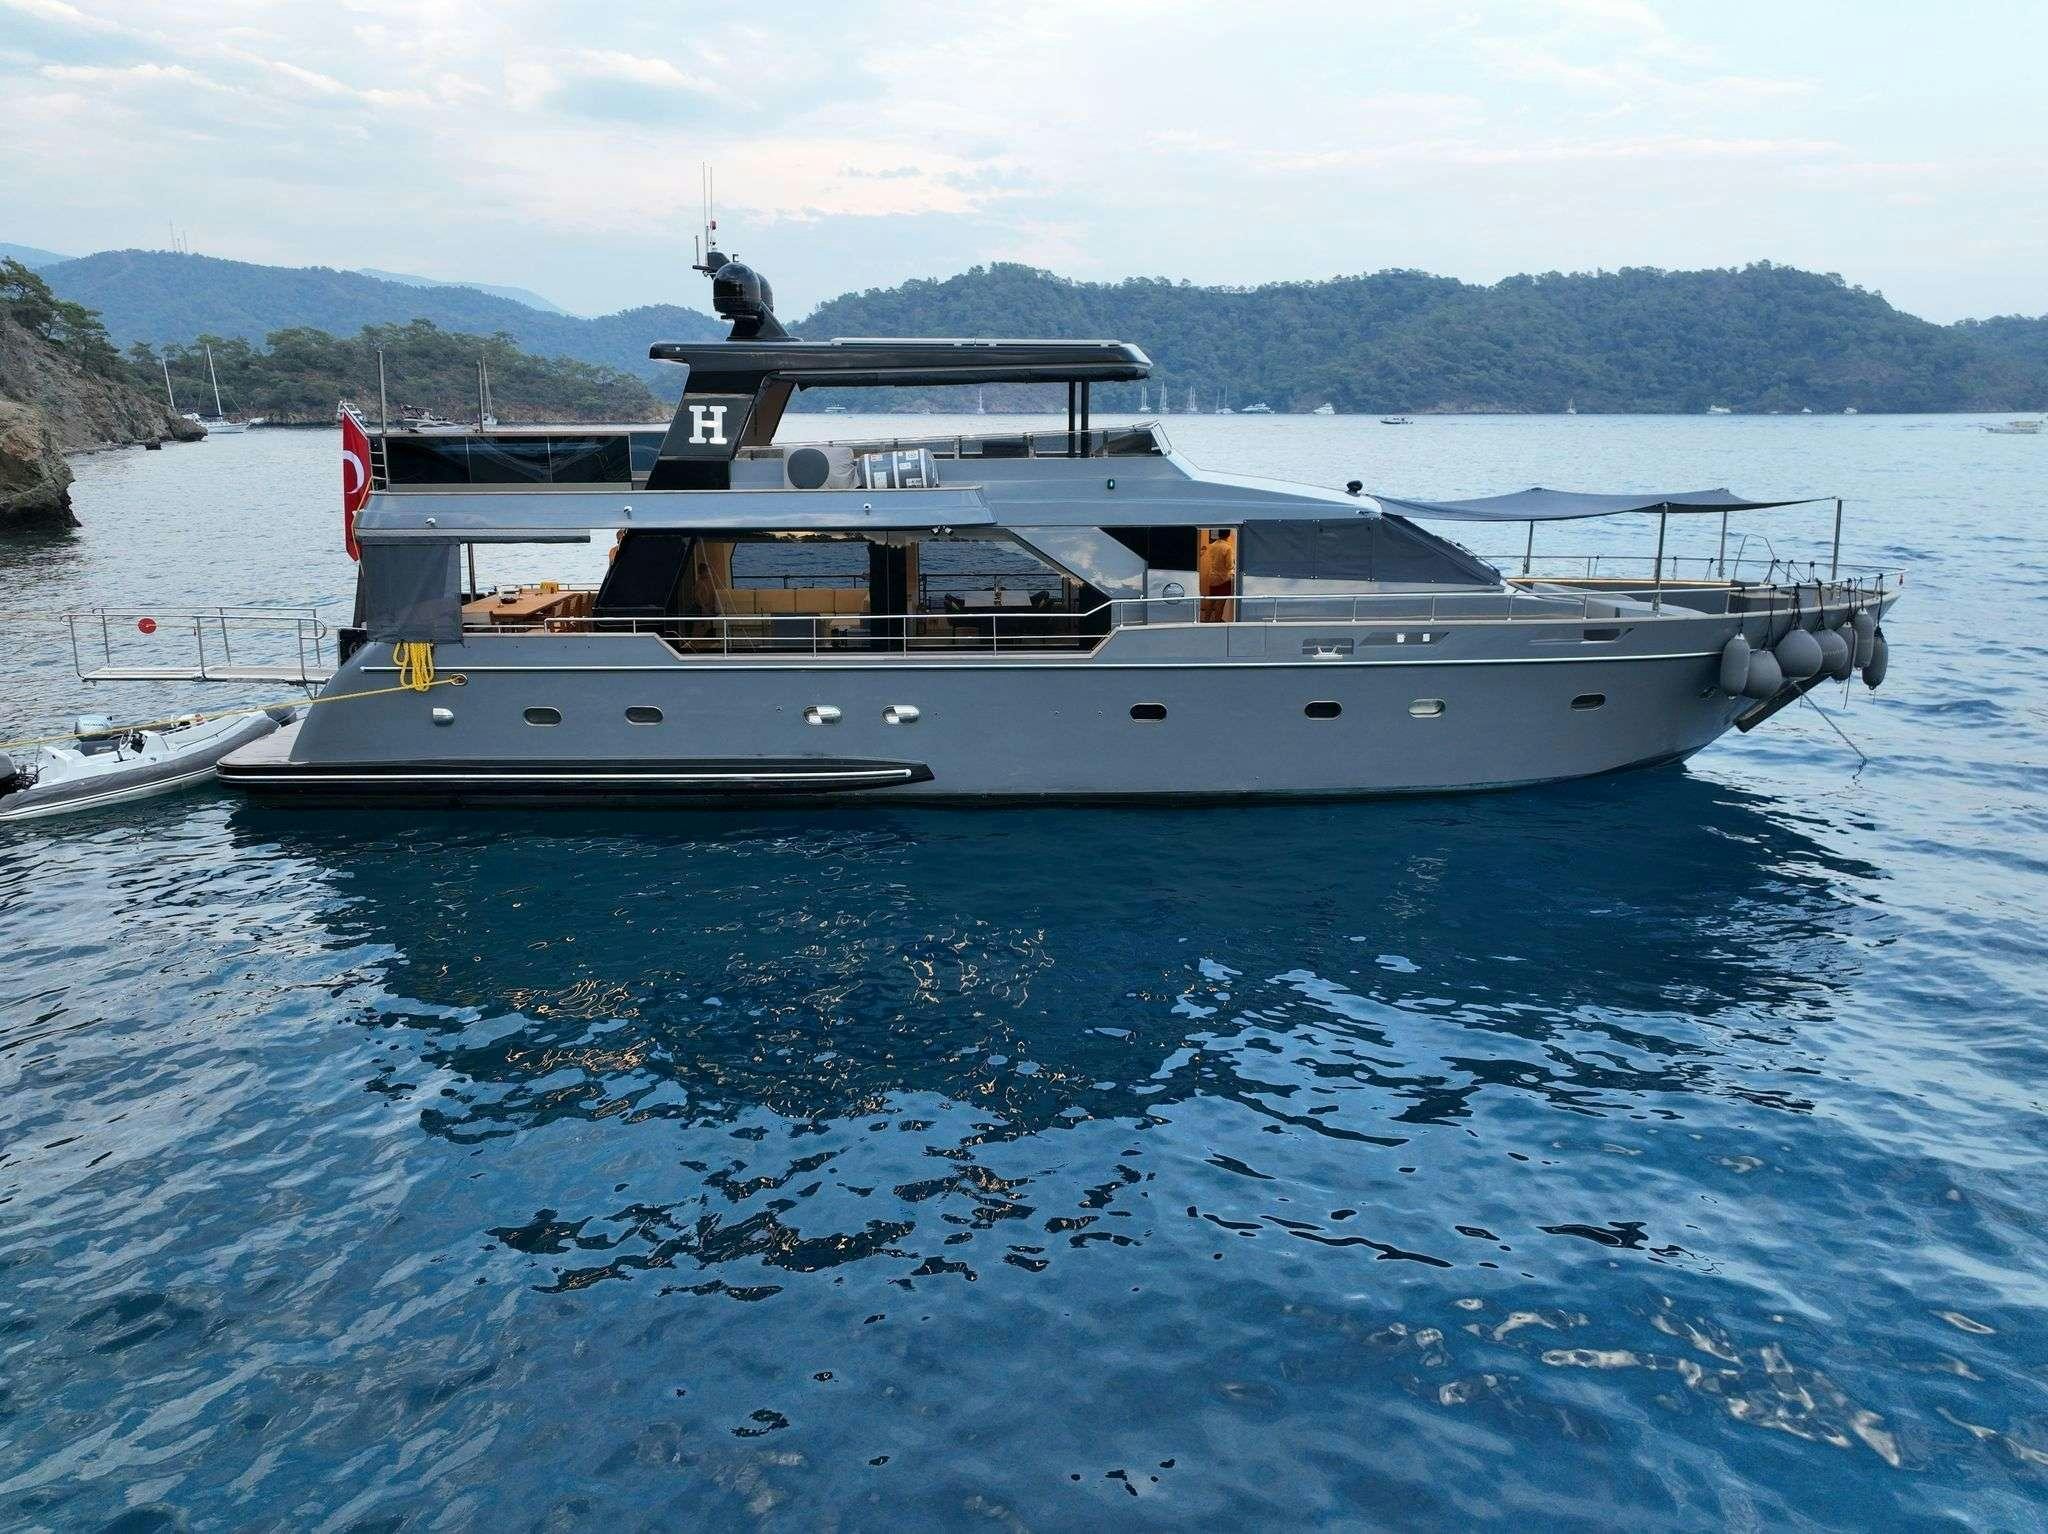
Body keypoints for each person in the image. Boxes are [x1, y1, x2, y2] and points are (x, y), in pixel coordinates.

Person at [1199, 528, 1236, 622]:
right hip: (1224, 578)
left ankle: (1206, 620)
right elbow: (1229, 565)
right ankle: (1217, 621)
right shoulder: (1228, 548)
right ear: (1228, 535)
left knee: (1211, 600)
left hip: (1213, 577)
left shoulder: (1212, 545)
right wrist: (1234, 563)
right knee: (1221, 602)